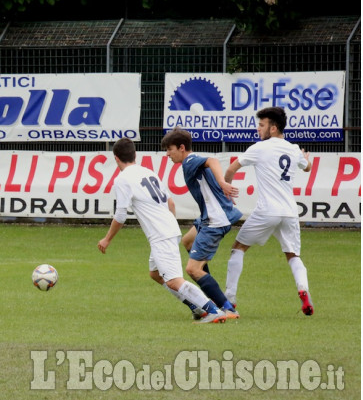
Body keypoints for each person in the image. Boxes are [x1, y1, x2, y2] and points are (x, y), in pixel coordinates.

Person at [97, 138, 227, 324]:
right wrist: (169, 225)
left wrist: (107, 239)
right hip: (168, 229)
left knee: (174, 280)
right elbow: (171, 202)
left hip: (161, 235)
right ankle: (196, 307)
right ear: (135, 155)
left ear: (116, 158)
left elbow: (120, 215)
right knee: (156, 274)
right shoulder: (148, 172)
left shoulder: (122, 179)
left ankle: (212, 310)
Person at [224, 106, 313, 315]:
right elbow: (307, 167)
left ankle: (229, 300)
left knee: (237, 249)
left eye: (261, 125)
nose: (258, 129)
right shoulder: (293, 148)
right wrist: (304, 158)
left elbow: (231, 169)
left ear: (273, 128)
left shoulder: (259, 148)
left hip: (267, 211)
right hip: (290, 212)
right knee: (293, 255)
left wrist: (226, 192)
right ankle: (304, 291)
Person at [161, 128, 241, 319]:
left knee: (192, 270)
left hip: (215, 221)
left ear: (181, 147)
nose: (167, 154)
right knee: (188, 241)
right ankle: (211, 297)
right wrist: (221, 192)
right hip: (210, 217)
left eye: (170, 149)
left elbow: (213, 161)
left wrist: (222, 182)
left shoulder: (189, 161)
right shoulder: (191, 161)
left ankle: (228, 308)